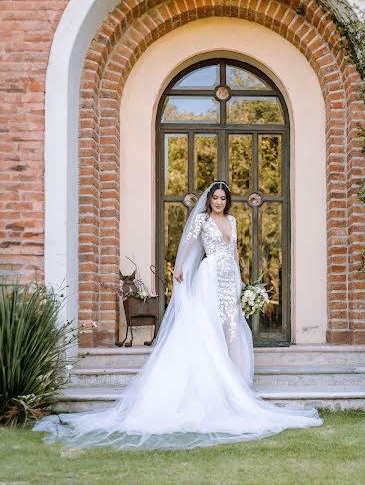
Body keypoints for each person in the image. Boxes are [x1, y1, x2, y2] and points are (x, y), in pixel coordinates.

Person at [33, 181, 323, 450]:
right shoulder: (202, 219)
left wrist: (241, 281)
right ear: (209, 200)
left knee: (231, 327)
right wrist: (181, 266)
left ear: (227, 201)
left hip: (228, 276)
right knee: (209, 328)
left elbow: (233, 252)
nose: (219, 202)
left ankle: (234, 381)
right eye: (215, 198)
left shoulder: (232, 221)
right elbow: (187, 245)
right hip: (209, 277)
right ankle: (216, 387)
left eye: (223, 199)